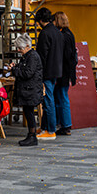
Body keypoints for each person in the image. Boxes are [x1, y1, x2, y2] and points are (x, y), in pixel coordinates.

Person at [34, 8, 63, 141]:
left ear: (40, 20)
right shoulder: (57, 32)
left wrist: (38, 73)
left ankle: (50, 130)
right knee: (49, 99)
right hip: (56, 70)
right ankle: (45, 127)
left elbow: (42, 56)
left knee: (48, 101)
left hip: (46, 72)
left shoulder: (45, 34)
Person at [10, 34, 42, 147]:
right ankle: (31, 135)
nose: (19, 50)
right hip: (28, 89)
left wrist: (15, 70)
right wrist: (16, 67)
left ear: (27, 46)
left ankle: (32, 136)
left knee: (29, 112)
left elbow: (28, 73)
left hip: (30, 90)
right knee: (28, 112)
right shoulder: (27, 56)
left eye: (20, 48)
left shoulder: (32, 56)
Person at [54, 12, 77, 136]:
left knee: (62, 97)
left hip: (63, 71)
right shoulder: (70, 34)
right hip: (67, 71)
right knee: (62, 97)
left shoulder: (63, 35)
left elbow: (65, 56)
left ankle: (65, 124)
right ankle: (64, 123)